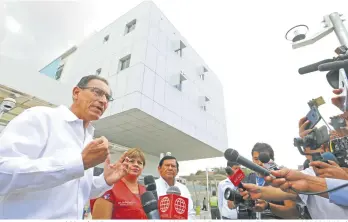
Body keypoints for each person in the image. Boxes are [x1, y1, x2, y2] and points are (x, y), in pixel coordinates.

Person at [0, 75, 129, 219]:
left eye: (107, 97)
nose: (103, 101)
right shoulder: (40, 117)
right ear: (76, 93)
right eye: (97, 92)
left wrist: (104, 181)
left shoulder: (88, 138)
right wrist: (78, 163)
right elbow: (3, 173)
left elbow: (76, 192)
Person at [90, 148, 148, 219]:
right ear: (123, 163)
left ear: (143, 167)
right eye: (132, 161)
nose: (136, 164)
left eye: (140, 163)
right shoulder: (109, 187)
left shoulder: (145, 191)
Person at [247, 142, 299, 219]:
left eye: (263, 159)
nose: (259, 163)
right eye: (256, 159)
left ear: (271, 160)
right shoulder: (251, 177)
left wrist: (268, 206)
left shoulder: (281, 179)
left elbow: (293, 213)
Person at [155, 155, 196, 219]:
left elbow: (191, 213)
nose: (170, 168)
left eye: (173, 166)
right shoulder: (153, 186)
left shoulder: (183, 188)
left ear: (177, 171)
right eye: (167, 165)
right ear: (159, 169)